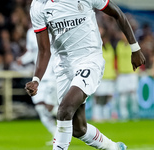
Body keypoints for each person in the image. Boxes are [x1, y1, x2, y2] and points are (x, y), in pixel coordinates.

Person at [25, 0, 146, 150]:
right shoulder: (38, 6)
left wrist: (135, 48)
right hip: (63, 67)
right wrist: (36, 80)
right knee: (78, 128)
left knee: (64, 110)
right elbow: (44, 50)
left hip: (89, 59)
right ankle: (114, 148)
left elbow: (118, 14)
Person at [17, 27, 58, 144]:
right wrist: (22, 59)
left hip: (52, 76)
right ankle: (56, 135)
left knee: (49, 108)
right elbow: (32, 52)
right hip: (39, 78)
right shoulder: (30, 32)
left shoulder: (54, 29)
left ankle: (71, 116)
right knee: (40, 108)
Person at [93, 28, 117, 121]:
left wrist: (115, 72)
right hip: (100, 77)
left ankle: (107, 115)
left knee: (108, 97)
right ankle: (97, 115)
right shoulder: (98, 49)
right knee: (99, 97)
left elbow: (113, 61)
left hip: (110, 76)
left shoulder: (110, 48)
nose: (105, 41)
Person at [115, 32, 139, 120]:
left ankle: (134, 113)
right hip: (122, 74)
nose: (123, 36)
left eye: (124, 34)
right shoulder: (119, 45)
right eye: (122, 35)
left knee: (133, 95)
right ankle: (123, 115)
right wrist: (116, 70)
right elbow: (117, 58)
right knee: (122, 96)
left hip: (132, 73)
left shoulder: (133, 44)